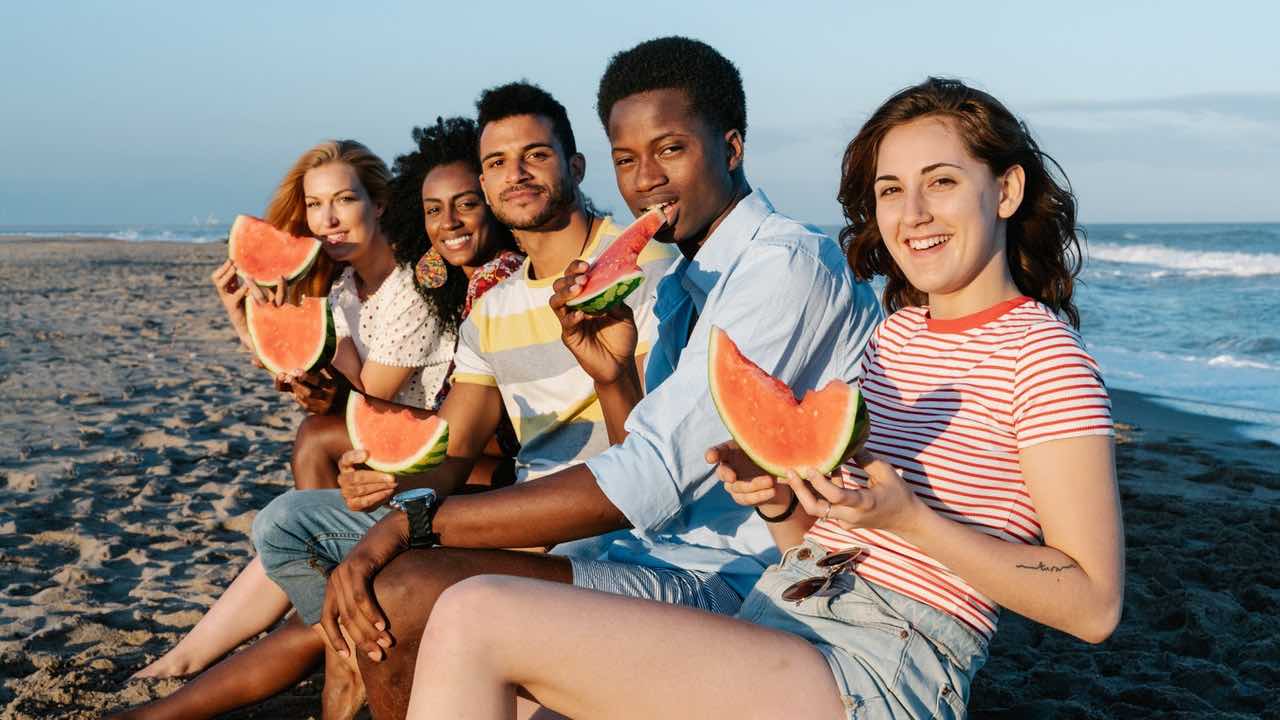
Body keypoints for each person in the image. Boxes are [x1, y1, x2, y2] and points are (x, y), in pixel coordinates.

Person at [403, 77, 1126, 720]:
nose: (913, 214)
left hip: (884, 665)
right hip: (786, 609)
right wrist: (779, 504)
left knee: (474, 614)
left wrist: (913, 521)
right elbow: (825, 543)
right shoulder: (898, 336)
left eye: (940, 182)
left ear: (1004, 190)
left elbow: (1093, 605)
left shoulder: (1045, 357)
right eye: (890, 190)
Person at [285, 37, 881, 718]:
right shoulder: (690, 279)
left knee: (405, 584)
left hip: (739, 579)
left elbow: (651, 477)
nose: (645, 180)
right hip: (656, 554)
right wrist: (613, 377)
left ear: (732, 148)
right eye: (627, 160)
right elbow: (662, 471)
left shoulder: (785, 266)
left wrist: (410, 523)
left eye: (671, 149)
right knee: (391, 580)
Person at [112, 127, 526, 718]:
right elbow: (313, 378)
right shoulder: (342, 288)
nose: (326, 219)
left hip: (459, 459)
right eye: (314, 205)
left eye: (343, 200)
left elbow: (367, 397)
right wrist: (249, 317)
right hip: (405, 454)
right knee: (312, 449)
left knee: (315, 442)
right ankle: (222, 641)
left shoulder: (413, 283)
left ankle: (284, 625)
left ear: (379, 204)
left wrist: (294, 327)